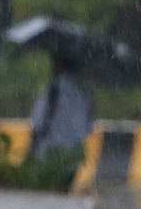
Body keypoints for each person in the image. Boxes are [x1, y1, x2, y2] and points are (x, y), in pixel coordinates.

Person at [29, 50, 94, 191]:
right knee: (62, 195)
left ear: (59, 65)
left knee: (45, 197)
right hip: (72, 158)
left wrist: (33, 148)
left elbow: (37, 122)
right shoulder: (85, 94)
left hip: (48, 154)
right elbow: (89, 128)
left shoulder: (53, 91)